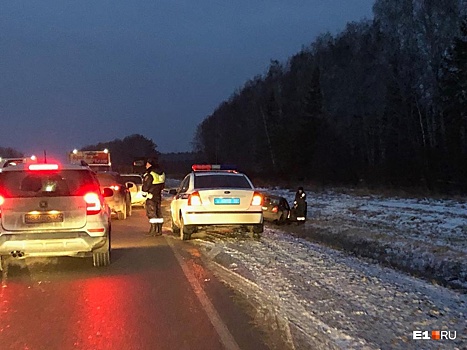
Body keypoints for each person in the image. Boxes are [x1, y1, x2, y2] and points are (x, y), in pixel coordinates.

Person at [142, 158, 165, 236]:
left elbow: (146, 185)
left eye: (147, 164)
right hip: (158, 195)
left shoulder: (150, 174)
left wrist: (144, 193)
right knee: (158, 212)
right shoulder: (161, 173)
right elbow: (162, 185)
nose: (146, 165)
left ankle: (153, 230)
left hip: (150, 195)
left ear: (150, 165)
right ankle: (159, 230)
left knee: (151, 213)